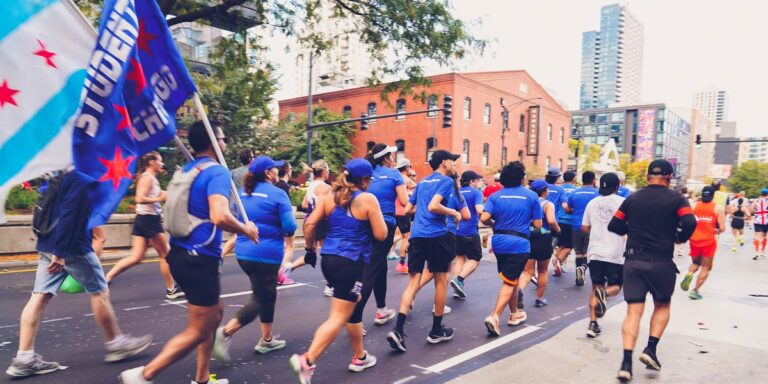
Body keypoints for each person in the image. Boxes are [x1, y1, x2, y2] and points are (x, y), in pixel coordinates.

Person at [120, 122, 259, 384]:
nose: (226, 143)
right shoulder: (217, 172)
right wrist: (246, 230)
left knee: (214, 314)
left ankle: (202, 378)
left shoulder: (188, 169)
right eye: (224, 137)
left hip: (181, 254)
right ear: (214, 141)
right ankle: (143, 375)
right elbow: (219, 215)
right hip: (199, 259)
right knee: (199, 328)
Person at [7, 169, 153, 378]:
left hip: (48, 242)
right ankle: (116, 344)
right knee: (99, 291)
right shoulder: (78, 177)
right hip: (72, 248)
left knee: (39, 296)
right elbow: (69, 215)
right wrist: (60, 253)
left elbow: (45, 209)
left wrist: (53, 249)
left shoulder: (53, 172)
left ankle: (24, 358)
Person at [289, 159, 387, 382]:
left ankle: (360, 356)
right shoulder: (367, 199)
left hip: (329, 260)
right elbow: (381, 235)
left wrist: (309, 249)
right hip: (350, 263)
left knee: (351, 306)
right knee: (338, 317)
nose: (370, 183)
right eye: (369, 179)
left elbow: (310, 224)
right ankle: (307, 360)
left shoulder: (328, 198)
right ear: (363, 180)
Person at [608, 159, 697, 382]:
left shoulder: (632, 198)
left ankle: (625, 364)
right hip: (661, 262)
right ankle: (650, 349)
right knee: (662, 305)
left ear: (648, 177)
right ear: (669, 177)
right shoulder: (677, 199)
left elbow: (614, 225)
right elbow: (690, 222)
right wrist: (679, 237)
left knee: (633, 312)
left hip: (634, 260)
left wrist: (633, 229)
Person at [212, 156, 298, 362]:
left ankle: (266, 340)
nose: (278, 171)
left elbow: (236, 220)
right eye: (275, 169)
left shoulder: (242, 194)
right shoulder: (278, 194)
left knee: (267, 293)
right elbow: (290, 227)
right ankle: (224, 333)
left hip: (244, 253)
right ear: (269, 173)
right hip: (266, 255)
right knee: (262, 298)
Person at [385, 150, 463, 352]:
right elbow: (434, 206)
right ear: (444, 162)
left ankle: (398, 330)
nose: (454, 165)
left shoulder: (422, 183)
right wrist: (453, 212)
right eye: (453, 162)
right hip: (437, 236)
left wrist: (422, 213)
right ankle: (436, 330)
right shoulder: (445, 182)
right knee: (441, 280)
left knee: (413, 282)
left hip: (417, 236)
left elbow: (409, 209)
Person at [105, 151, 182, 299]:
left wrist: (168, 193)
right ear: (152, 162)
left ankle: (106, 278)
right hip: (149, 219)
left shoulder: (149, 178)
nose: (162, 164)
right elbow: (139, 198)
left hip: (143, 219)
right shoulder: (147, 178)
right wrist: (160, 197)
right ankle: (171, 289)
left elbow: (153, 195)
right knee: (166, 255)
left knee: (136, 257)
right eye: (160, 161)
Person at [481, 161, 542, 337]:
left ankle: (514, 313)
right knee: (509, 281)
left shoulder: (496, 196)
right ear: (522, 177)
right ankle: (495, 316)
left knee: (511, 278)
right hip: (519, 242)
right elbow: (538, 224)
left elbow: (484, 217)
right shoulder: (531, 196)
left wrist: (494, 223)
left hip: (499, 241)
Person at [352, 143, 408, 328]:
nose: (393, 159)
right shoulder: (394, 174)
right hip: (385, 224)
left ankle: (381, 309)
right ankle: (355, 319)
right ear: (386, 158)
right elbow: (404, 201)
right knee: (371, 269)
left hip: (362, 222)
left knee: (379, 266)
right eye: (391, 156)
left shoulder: (366, 173)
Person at [582, 173, 626, 338]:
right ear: (617, 186)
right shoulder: (623, 203)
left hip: (595, 252)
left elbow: (584, 228)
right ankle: (605, 294)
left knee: (596, 287)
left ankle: (593, 324)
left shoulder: (591, 203)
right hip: (615, 252)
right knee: (615, 286)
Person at [516, 179, 560, 309]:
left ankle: (520, 290)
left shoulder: (526, 202)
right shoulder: (548, 204)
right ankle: (539, 299)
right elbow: (551, 221)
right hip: (543, 238)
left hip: (528, 237)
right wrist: (558, 230)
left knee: (528, 271)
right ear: (545, 191)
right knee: (542, 271)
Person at [680, 186, 725, 300]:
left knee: (695, 263)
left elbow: (687, 221)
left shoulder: (694, 206)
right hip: (708, 242)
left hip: (694, 240)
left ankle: (689, 274)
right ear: (713, 195)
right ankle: (695, 291)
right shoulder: (718, 209)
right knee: (706, 267)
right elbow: (722, 228)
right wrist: (716, 230)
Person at [449, 170, 485, 299]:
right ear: (472, 181)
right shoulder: (476, 193)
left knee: (459, 258)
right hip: (470, 231)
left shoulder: (456, 192)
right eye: (476, 181)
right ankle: (459, 279)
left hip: (456, 231)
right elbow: (479, 210)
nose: (477, 183)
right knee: (475, 259)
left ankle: (457, 287)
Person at [302, 159, 333, 296]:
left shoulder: (311, 185)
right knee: (328, 254)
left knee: (320, 253)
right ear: (324, 171)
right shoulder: (325, 187)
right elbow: (323, 206)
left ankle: (287, 268)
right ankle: (330, 285)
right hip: (322, 221)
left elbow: (304, 205)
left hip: (309, 219)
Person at [565, 171, 599, 287]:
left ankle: (578, 276)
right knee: (589, 253)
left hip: (576, 225)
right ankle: (583, 268)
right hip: (592, 227)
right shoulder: (598, 193)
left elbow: (568, 209)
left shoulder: (574, 193)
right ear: (593, 180)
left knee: (579, 253)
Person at [393, 158, 417, 273]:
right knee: (406, 237)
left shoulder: (395, 177)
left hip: (393, 211)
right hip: (403, 212)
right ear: (406, 167)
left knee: (395, 236)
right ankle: (402, 264)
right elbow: (416, 189)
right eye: (410, 167)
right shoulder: (406, 179)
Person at [553, 170, 577, 276]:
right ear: (573, 179)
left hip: (558, 221)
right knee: (569, 246)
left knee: (561, 245)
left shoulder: (559, 189)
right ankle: (557, 261)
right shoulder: (576, 191)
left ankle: (558, 265)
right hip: (570, 221)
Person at [752, 189, 768, 259]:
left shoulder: (756, 200)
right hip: (766, 221)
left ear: (761, 193)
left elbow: (751, 210)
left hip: (757, 220)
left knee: (757, 237)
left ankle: (756, 252)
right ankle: (762, 251)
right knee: (765, 236)